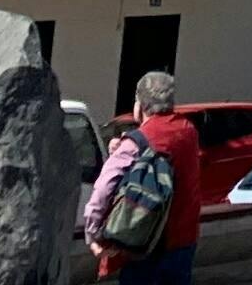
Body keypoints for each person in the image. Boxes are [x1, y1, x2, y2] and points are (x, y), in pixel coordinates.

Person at [84, 68, 207, 284]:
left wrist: (93, 232)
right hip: (184, 241)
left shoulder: (137, 141)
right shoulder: (188, 131)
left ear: (140, 104)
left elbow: (105, 186)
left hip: (145, 243)